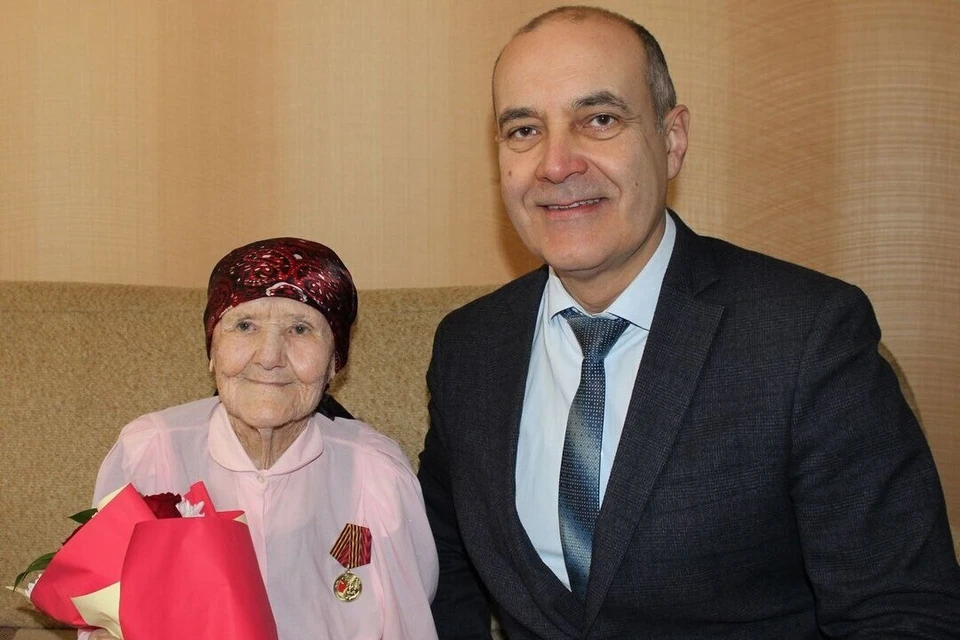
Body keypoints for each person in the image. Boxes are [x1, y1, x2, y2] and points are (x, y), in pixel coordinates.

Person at [417, 6, 960, 639]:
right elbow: (439, 571)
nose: (556, 163)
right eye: (524, 129)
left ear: (672, 140)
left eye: (599, 119)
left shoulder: (806, 336)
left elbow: (902, 612)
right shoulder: (469, 347)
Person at [91, 238, 438, 639]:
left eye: (300, 329)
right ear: (212, 350)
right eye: (245, 326)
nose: (270, 356)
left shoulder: (375, 473)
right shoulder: (150, 451)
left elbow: (409, 625)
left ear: (334, 363)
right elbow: (101, 619)